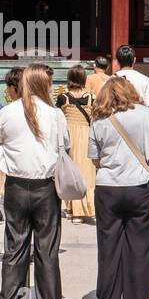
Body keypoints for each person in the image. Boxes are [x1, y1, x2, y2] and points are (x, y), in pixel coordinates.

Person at [88, 77, 149, 299]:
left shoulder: (99, 118)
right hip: (140, 187)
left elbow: (94, 158)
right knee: (140, 250)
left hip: (108, 188)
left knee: (109, 250)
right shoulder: (148, 115)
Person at [0, 63, 69, 299]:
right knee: (47, 248)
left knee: (15, 246)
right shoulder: (55, 114)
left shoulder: (8, 112)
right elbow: (65, 146)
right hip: (45, 187)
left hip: (15, 185)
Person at [55, 64, 96, 222]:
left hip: (69, 137)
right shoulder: (92, 97)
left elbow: (57, 117)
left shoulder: (63, 97)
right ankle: (88, 209)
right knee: (88, 173)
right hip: (87, 135)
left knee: (71, 173)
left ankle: (73, 210)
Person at [0, 67, 23, 224]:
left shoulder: (6, 112)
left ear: (13, 88)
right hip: (40, 176)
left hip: (14, 171)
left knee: (15, 221)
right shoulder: (48, 111)